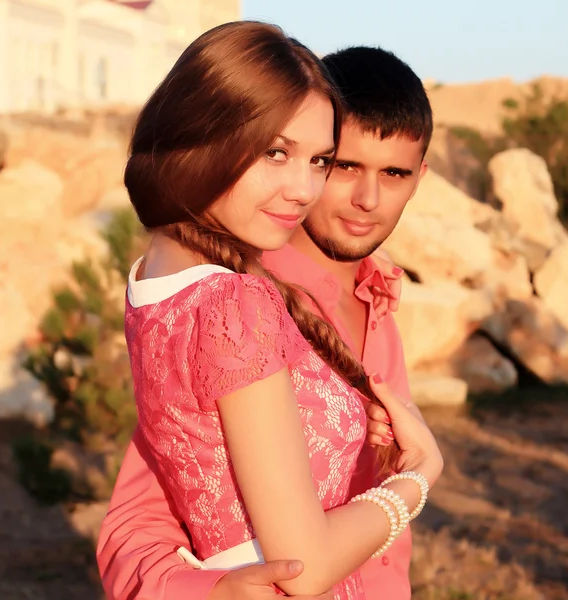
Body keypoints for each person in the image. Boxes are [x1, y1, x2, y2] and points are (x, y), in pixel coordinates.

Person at [98, 21, 442, 600]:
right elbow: (144, 514)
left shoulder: (380, 302)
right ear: (211, 136)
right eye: (343, 166)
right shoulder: (237, 301)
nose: (364, 198)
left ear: (419, 178)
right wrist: (419, 477)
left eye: (316, 160)